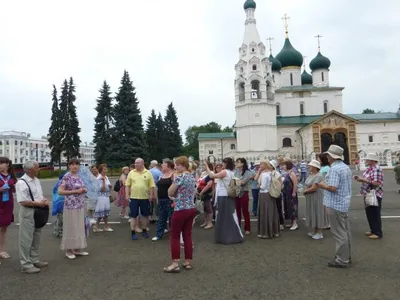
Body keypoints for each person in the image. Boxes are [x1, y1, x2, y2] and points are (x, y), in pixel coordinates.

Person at [316, 145, 352, 268]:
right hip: (343, 203)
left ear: (331, 156)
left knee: (339, 233)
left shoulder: (335, 169)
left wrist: (321, 185)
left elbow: (333, 188)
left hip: (335, 204)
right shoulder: (345, 167)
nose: (327, 157)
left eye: (328, 155)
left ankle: (341, 259)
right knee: (345, 231)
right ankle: (346, 256)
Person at [164, 156, 197, 273]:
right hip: (191, 208)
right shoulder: (192, 177)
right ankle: (187, 261)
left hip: (180, 209)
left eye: (177, 165)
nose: (176, 167)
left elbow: (170, 191)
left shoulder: (180, 177)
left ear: (182, 165)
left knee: (175, 236)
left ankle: (175, 263)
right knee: (187, 235)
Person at [15, 161, 49, 274]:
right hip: (28, 211)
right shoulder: (21, 183)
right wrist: (39, 203)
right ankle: (25, 264)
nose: (39, 169)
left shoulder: (36, 180)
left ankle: (34, 259)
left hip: (38, 211)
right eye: (37, 168)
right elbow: (23, 201)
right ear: (30, 170)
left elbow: (39, 195)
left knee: (36, 235)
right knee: (26, 238)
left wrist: (44, 200)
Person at [204, 157, 243, 245]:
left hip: (223, 195)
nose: (222, 164)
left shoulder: (224, 172)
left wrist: (207, 166)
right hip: (229, 195)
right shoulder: (232, 172)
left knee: (223, 216)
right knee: (230, 215)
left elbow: (212, 176)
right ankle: (232, 235)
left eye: (224, 163)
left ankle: (225, 237)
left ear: (226, 163)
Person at [58, 159, 89, 259]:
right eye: (72, 164)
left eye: (76, 164)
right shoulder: (67, 177)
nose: (75, 166)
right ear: (69, 166)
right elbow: (60, 191)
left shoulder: (80, 176)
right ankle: (68, 250)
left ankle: (76, 249)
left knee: (79, 226)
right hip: (70, 206)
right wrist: (75, 191)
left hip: (79, 205)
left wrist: (84, 190)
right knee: (70, 227)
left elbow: (83, 188)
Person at [354, 153, 384, 239]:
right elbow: (366, 179)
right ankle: (373, 230)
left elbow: (376, 183)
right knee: (370, 213)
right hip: (368, 194)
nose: (365, 161)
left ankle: (378, 232)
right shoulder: (369, 169)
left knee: (375, 213)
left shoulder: (377, 169)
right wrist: (359, 178)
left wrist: (363, 180)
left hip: (375, 194)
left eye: (367, 160)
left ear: (372, 161)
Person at [125, 158, 156, 240]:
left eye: (137, 163)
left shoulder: (148, 173)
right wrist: (127, 196)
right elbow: (127, 185)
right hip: (133, 198)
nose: (135, 164)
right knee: (133, 215)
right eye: (135, 163)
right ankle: (133, 232)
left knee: (145, 215)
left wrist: (151, 195)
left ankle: (144, 230)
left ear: (142, 163)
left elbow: (152, 186)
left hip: (145, 198)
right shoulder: (131, 173)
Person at [256, 161, 281, 239]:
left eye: (261, 164)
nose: (260, 165)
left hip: (264, 194)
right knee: (271, 212)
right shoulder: (271, 173)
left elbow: (263, 186)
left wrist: (258, 186)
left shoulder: (264, 174)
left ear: (265, 165)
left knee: (264, 213)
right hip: (270, 193)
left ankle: (265, 232)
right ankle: (274, 231)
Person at [152, 161, 175, 241]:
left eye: (163, 165)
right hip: (161, 199)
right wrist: (157, 198)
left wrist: (174, 200)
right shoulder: (162, 175)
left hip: (170, 200)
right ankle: (159, 235)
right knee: (161, 217)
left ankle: (174, 236)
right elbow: (157, 188)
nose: (161, 166)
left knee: (172, 218)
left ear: (168, 166)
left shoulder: (173, 175)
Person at [0, 157, 17, 263]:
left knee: (3, 228)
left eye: (2, 163)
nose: (1, 165)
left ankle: (1, 250)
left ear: (7, 165)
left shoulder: (11, 176)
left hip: (7, 204)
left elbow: (15, 188)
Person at [304, 160, 325, 240]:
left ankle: (319, 232)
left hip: (316, 197)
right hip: (311, 197)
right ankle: (314, 230)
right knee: (312, 212)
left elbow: (314, 188)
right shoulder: (312, 174)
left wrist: (305, 191)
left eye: (310, 166)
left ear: (315, 167)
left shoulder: (318, 176)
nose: (309, 167)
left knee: (317, 212)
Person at [234, 158, 252, 235]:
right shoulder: (236, 172)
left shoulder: (247, 172)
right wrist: (237, 181)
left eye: (238, 162)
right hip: (236, 193)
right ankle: (238, 227)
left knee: (245, 211)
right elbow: (233, 181)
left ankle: (247, 228)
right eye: (236, 162)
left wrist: (237, 181)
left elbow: (243, 182)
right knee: (237, 211)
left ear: (243, 163)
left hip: (244, 193)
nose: (236, 163)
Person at [93, 164, 113, 232]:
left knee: (105, 212)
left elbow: (108, 188)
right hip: (101, 197)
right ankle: (102, 226)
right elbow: (102, 189)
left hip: (106, 196)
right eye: (104, 169)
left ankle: (100, 226)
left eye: (106, 169)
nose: (106, 170)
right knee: (101, 212)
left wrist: (110, 187)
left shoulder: (106, 177)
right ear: (101, 170)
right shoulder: (99, 178)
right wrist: (103, 181)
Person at [282, 160, 299, 230]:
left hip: (291, 192)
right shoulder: (287, 173)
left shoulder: (292, 173)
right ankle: (292, 222)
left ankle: (295, 223)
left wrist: (294, 192)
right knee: (288, 207)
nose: (283, 166)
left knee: (292, 207)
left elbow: (295, 183)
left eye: (284, 165)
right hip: (286, 192)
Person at [197, 161, 214, 229]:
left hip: (207, 193)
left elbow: (209, 185)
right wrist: (197, 190)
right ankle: (206, 221)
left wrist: (201, 192)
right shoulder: (203, 173)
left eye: (204, 165)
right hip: (201, 193)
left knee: (208, 207)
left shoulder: (211, 173)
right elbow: (199, 182)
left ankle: (210, 223)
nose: (203, 167)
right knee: (204, 208)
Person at [318, 153, 331, 229]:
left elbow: (326, 179)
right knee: (324, 206)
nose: (318, 160)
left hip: (324, 188)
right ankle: (326, 222)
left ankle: (328, 223)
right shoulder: (323, 168)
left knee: (326, 207)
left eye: (319, 159)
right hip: (321, 187)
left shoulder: (326, 168)